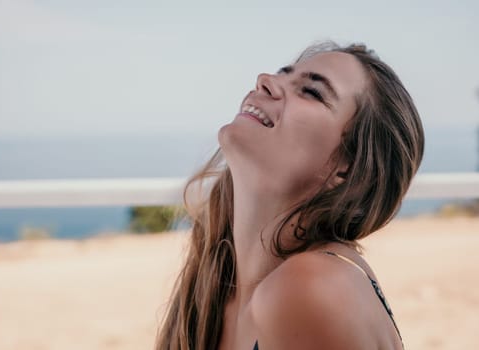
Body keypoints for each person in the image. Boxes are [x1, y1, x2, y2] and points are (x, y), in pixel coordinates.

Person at [155, 41, 424, 350]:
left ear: (347, 169)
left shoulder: (308, 287)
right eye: (283, 74)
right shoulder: (212, 285)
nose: (265, 80)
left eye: (311, 92)